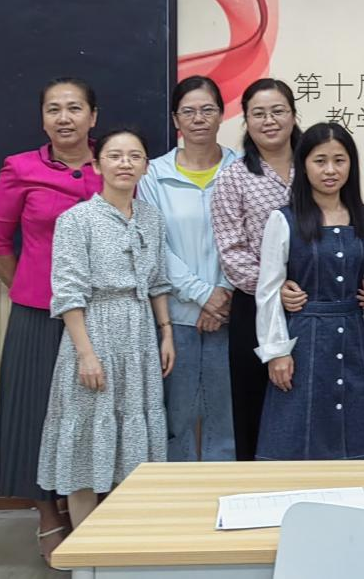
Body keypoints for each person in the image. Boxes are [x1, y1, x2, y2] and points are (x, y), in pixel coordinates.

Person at [0, 77, 102, 566]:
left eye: (75, 108)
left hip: (104, 314)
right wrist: (28, 289)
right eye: (54, 109)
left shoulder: (117, 162)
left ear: (93, 116)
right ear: (43, 118)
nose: (64, 118)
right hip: (39, 314)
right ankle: (48, 514)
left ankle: (88, 508)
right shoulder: (21, 169)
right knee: (34, 414)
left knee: (93, 414)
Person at [36, 128, 173, 526]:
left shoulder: (152, 218)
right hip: (94, 332)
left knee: (132, 440)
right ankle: (85, 546)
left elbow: (158, 281)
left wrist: (166, 332)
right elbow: (68, 293)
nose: (125, 163)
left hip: (140, 335)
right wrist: (86, 354)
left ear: (145, 166)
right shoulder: (76, 220)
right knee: (85, 439)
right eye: (115, 155)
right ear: (97, 165)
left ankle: (125, 541)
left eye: (135, 156)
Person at [255, 122, 364, 460]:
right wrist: (277, 352)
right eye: (320, 161)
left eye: (339, 160)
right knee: (297, 435)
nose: (330, 170)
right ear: (303, 165)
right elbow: (268, 291)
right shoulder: (283, 220)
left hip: (353, 337)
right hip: (303, 340)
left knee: (352, 434)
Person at [137, 76, 238, 461]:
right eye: (189, 111)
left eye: (207, 110)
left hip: (232, 313)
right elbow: (154, 245)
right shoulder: (153, 174)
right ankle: (177, 494)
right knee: (175, 419)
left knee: (227, 418)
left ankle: (225, 491)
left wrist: (223, 293)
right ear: (175, 119)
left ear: (222, 115)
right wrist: (203, 295)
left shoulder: (242, 169)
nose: (198, 119)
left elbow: (252, 239)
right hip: (175, 317)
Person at [210, 79, 311, 460]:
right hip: (255, 307)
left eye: (278, 111)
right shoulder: (234, 176)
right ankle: (257, 487)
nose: (269, 121)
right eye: (259, 114)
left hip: (315, 304)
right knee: (254, 407)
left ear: (293, 115)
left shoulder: (316, 165)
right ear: (246, 121)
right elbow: (231, 250)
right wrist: (274, 288)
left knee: (309, 406)